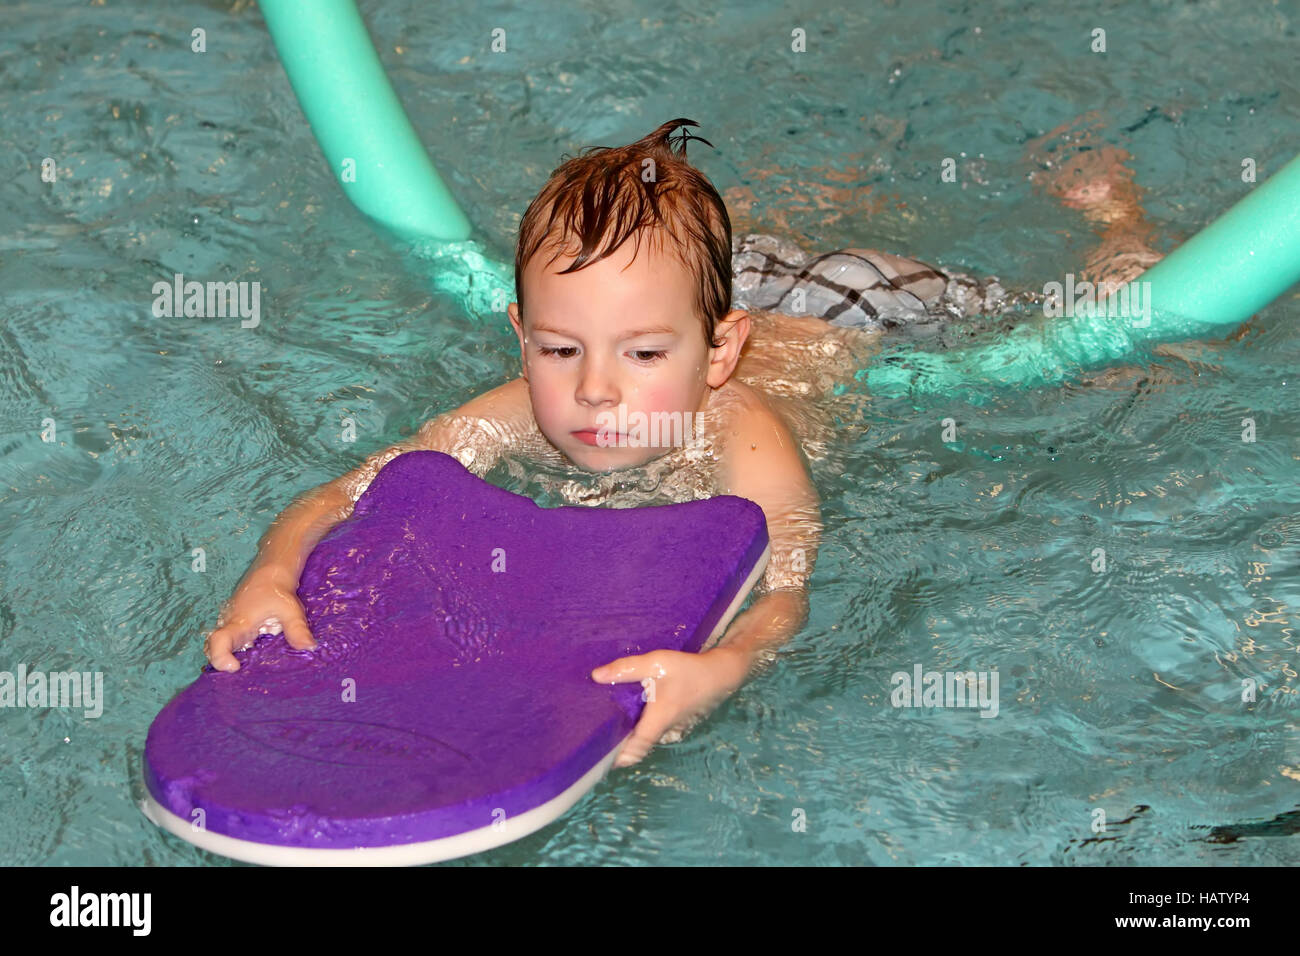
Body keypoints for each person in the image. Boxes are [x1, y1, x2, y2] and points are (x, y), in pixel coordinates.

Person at [203, 115, 1158, 768]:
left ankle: (1117, 217)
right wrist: (272, 573)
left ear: (719, 354)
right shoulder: (512, 410)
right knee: (722, 250)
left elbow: (786, 590)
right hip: (711, 282)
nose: (596, 388)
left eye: (644, 355)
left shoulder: (744, 433)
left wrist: (724, 667)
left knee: (1093, 337)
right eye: (560, 349)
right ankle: (811, 187)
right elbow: (351, 494)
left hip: (849, 311)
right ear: (520, 337)